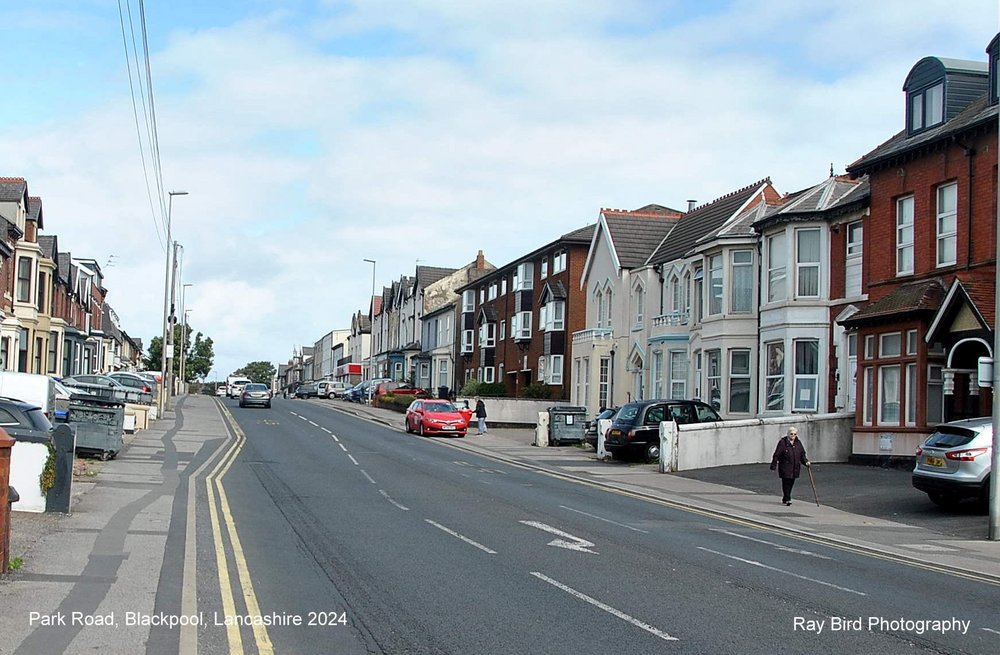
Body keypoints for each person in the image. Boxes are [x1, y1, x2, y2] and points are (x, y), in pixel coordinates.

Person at [770, 426, 810, 506]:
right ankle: (788, 498)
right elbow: (776, 454)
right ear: (788, 434)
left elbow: (802, 454)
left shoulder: (798, 443)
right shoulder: (783, 442)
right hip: (785, 466)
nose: (793, 436)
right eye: (791, 434)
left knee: (791, 482)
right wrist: (773, 465)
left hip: (795, 467)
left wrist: (806, 462)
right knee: (786, 482)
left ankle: (785, 497)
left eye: (794, 434)